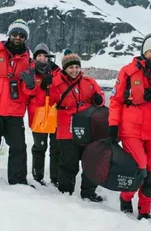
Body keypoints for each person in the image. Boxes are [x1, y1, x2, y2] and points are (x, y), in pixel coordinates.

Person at [37, 49, 106, 201]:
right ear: (65, 68)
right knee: (69, 161)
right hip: (66, 127)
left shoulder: (89, 82)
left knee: (91, 160)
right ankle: (65, 192)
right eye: (70, 67)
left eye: (76, 67)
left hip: (88, 128)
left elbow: (100, 96)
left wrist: (99, 99)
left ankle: (88, 192)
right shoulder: (56, 82)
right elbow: (46, 102)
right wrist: (44, 87)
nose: (74, 70)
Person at [108, 33, 151, 220]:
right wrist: (113, 125)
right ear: (144, 53)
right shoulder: (128, 72)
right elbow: (116, 100)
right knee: (139, 167)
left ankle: (145, 210)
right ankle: (125, 196)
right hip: (131, 130)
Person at [0, 19, 36, 185]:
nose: (18, 37)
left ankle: (18, 181)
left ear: (25, 38)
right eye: (15, 33)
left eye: (22, 35)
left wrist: (29, 85)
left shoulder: (28, 62)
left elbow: (29, 93)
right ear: (9, 34)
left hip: (14, 112)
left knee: (19, 148)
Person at [28, 43, 60, 186]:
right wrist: (36, 86)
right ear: (35, 58)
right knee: (40, 147)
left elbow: (61, 92)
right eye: (38, 55)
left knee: (56, 148)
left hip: (54, 115)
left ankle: (55, 177)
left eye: (44, 55)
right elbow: (25, 93)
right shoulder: (30, 72)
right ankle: (37, 176)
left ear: (48, 57)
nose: (41, 58)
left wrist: (51, 84)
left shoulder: (57, 72)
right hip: (38, 116)